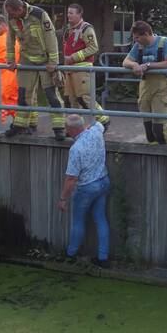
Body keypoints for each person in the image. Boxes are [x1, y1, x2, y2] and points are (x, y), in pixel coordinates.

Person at [3, 0, 66, 140]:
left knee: (52, 95)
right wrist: (11, 60)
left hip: (45, 60)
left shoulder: (39, 14)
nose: (10, 16)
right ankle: (20, 125)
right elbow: (10, 39)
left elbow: (51, 38)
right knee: (24, 94)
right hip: (27, 60)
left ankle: (59, 128)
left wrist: (53, 61)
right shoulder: (11, 18)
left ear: (20, 9)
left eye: (12, 13)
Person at [57, 114, 110, 268]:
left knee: (78, 221)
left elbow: (71, 179)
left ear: (70, 130)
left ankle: (71, 254)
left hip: (87, 187)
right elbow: (101, 123)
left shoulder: (76, 149)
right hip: (103, 181)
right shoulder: (96, 131)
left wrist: (62, 199)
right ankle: (103, 258)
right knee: (100, 218)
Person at [122, 21, 167, 145]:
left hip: (161, 88)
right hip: (145, 87)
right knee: (148, 127)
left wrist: (148, 65)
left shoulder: (164, 42)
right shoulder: (138, 46)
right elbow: (125, 61)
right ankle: (153, 154)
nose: (135, 40)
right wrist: (134, 64)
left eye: (137, 37)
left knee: (159, 128)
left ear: (146, 34)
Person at [61, 3, 110, 131]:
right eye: (68, 13)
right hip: (69, 69)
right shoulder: (68, 29)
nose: (68, 15)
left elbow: (93, 48)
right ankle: (74, 127)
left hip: (82, 68)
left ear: (79, 14)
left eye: (72, 13)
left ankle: (104, 120)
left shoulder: (86, 28)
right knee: (70, 100)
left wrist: (74, 57)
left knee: (84, 98)